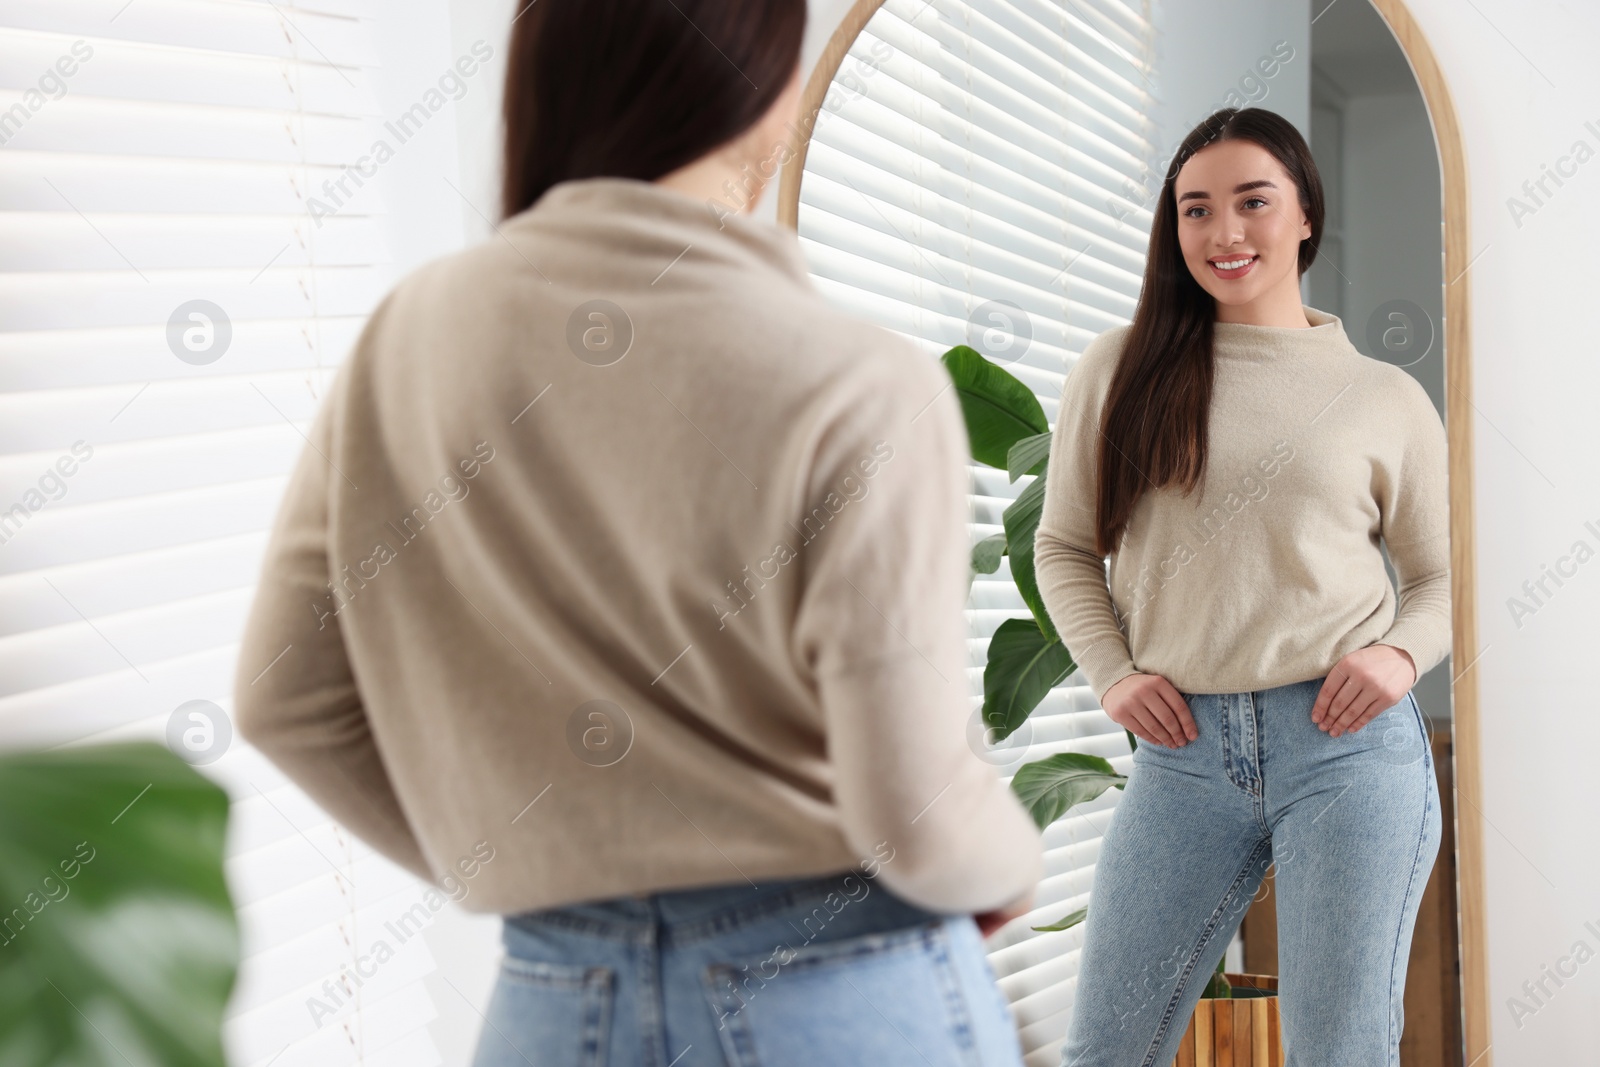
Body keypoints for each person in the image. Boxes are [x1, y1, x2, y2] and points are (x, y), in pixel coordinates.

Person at [232, 1, 1044, 1064]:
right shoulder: (855, 379)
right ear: (760, 93)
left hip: (552, 1004)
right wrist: (1005, 861)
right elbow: (918, 815)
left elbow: (282, 698)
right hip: (839, 998)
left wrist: (532, 859)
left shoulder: (405, 340)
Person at [1034, 106, 1450, 1067]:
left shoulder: (1383, 397)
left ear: (1305, 214)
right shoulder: (1120, 370)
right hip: (1182, 757)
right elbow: (1063, 547)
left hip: (1348, 750)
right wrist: (1112, 673)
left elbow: (1440, 577)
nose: (1224, 234)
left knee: (1338, 1053)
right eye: (1195, 210)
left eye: (1253, 202)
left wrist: (1398, 654)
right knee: (1106, 1048)